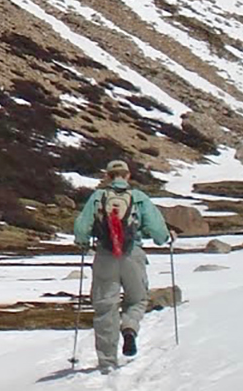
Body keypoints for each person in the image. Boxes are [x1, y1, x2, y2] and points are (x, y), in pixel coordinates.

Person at [72, 159, 172, 372]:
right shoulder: (138, 198)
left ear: (107, 176)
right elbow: (157, 230)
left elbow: (81, 227)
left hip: (105, 256)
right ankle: (129, 328)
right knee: (137, 299)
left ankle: (107, 362)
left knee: (105, 307)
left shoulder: (98, 197)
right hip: (132, 255)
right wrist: (166, 238)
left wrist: (82, 242)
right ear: (127, 176)